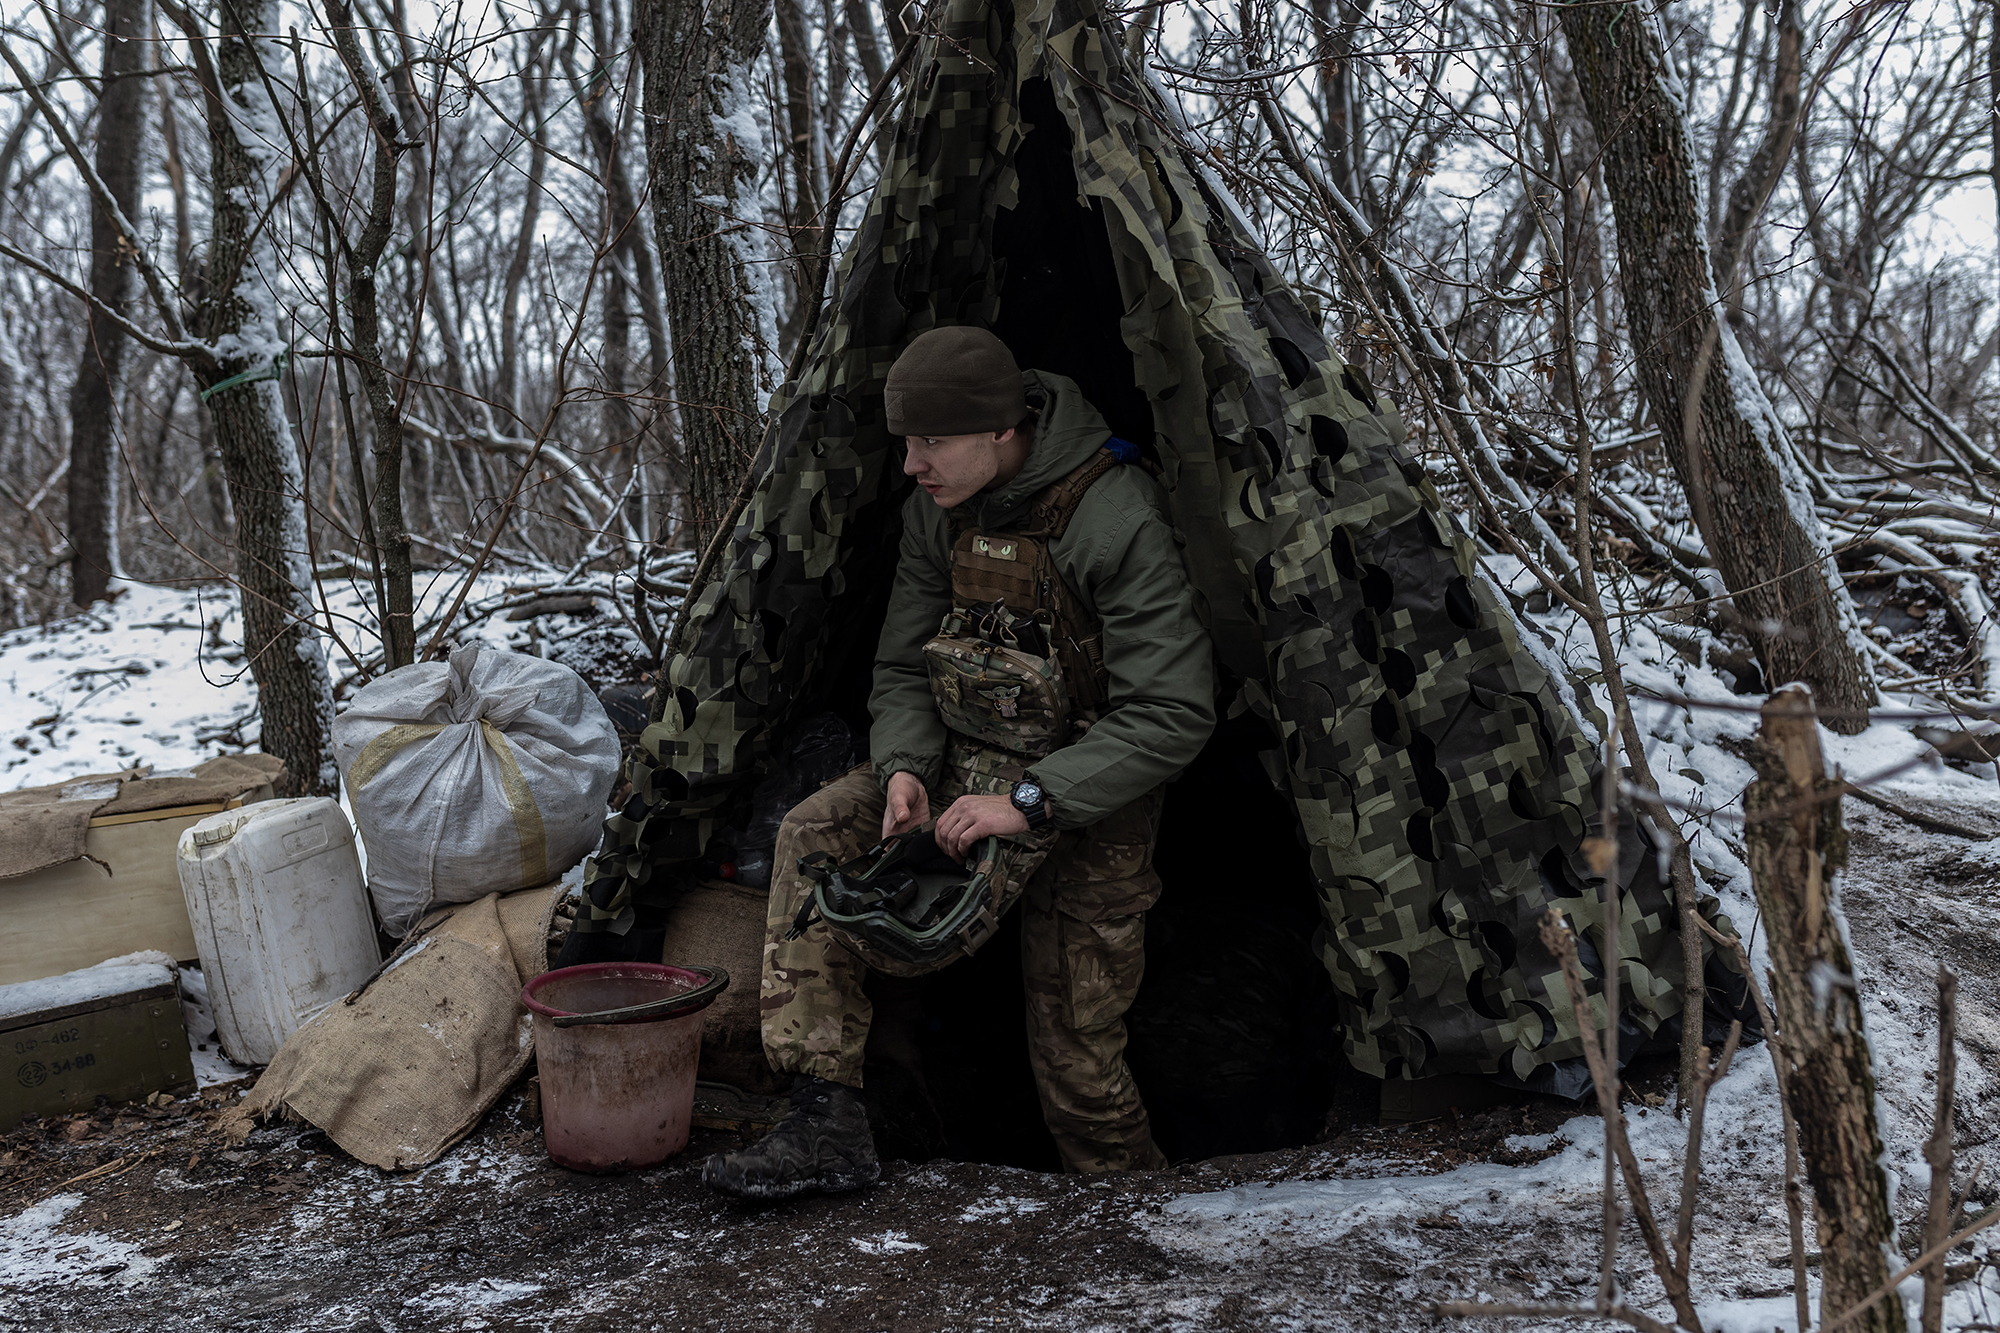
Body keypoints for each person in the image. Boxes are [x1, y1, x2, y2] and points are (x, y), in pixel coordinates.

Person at [703, 327, 1215, 1200]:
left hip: (1091, 783)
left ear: (1002, 429)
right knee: (816, 832)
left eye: (931, 441)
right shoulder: (938, 511)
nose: (912, 464)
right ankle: (825, 1118)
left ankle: (1135, 1209)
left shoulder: (1113, 516)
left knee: (1077, 1050)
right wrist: (904, 767)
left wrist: (1032, 800)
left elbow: (1172, 712)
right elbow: (905, 665)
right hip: (956, 760)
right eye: (908, 442)